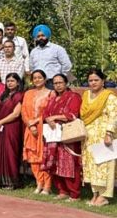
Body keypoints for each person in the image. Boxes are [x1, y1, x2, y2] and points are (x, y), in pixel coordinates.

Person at [42, 74, 82, 202]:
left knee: (69, 164)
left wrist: (54, 117)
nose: (58, 85)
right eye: (55, 83)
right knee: (56, 163)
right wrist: (48, 119)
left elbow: (73, 114)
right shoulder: (53, 99)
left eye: (60, 82)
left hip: (67, 136)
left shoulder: (73, 97)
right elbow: (45, 113)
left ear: (66, 83)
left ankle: (74, 194)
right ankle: (62, 190)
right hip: (53, 136)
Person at [81, 69, 117, 206]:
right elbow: (83, 114)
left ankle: (104, 196)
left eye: (96, 80)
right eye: (90, 80)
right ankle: (95, 194)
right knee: (91, 165)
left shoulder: (109, 96)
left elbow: (114, 116)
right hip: (89, 135)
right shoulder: (86, 95)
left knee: (104, 165)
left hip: (104, 135)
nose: (93, 83)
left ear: (103, 81)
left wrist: (109, 133)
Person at [21, 70, 52, 194]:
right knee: (33, 157)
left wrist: (36, 122)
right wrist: (29, 124)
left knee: (44, 157)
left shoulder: (50, 93)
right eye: (35, 78)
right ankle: (39, 182)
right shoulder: (28, 93)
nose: (37, 80)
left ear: (45, 79)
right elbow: (23, 110)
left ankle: (47, 186)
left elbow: (50, 111)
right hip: (30, 128)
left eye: (40, 77)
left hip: (43, 128)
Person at [0, 73, 24, 189]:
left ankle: (12, 182)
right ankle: (1, 180)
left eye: (12, 81)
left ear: (18, 83)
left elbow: (16, 114)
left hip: (12, 127)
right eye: (8, 81)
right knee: (1, 152)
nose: (10, 83)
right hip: (0, 127)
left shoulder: (19, 95)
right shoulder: (4, 94)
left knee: (10, 153)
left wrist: (1, 122)